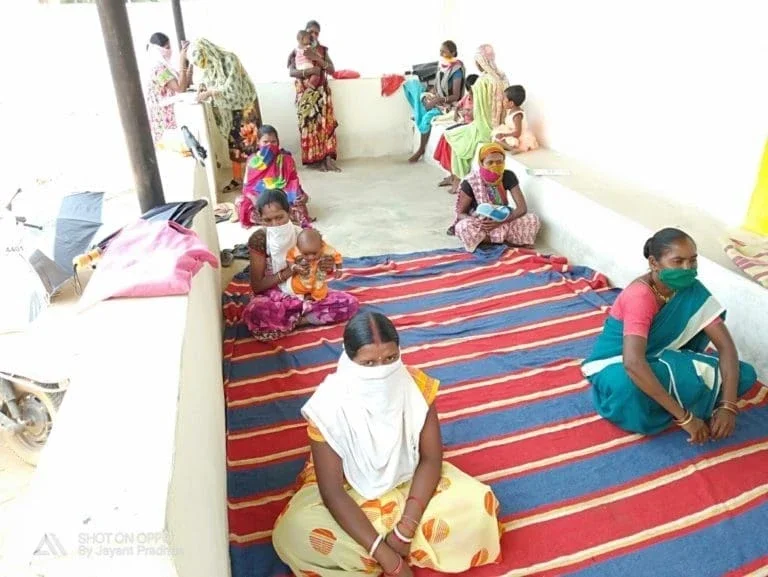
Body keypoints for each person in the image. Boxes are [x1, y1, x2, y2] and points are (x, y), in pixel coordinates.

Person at [272, 312, 502, 576]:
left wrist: (405, 529)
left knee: (478, 506)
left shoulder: (417, 386)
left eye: (390, 359)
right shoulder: (327, 406)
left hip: (410, 484)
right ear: (350, 361)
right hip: (349, 494)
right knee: (292, 533)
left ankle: (371, 556)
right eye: (368, 363)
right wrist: (389, 560)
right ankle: (387, 551)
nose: (381, 372)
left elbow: (430, 458)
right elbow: (333, 491)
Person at [582, 228, 758, 443]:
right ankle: (680, 404)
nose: (687, 268)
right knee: (626, 388)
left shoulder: (691, 289)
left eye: (692, 261)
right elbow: (633, 363)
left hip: (664, 359)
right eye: (678, 261)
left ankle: (666, 401)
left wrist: (728, 406)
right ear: (654, 263)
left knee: (745, 374)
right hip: (618, 363)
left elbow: (726, 347)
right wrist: (685, 418)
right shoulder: (640, 296)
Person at [242, 190, 357, 341]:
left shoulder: (303, 234)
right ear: (260, 219)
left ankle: (294, 319)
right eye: (268, 220)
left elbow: (319, 268)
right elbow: (257, 286)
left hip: (306, 291)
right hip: (273, 293)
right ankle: (303, 315)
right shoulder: (259, 239)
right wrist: (289, 272)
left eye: (279, 217)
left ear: (289, 212)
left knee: (349, 303)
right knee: (255, 312)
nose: (275, 224)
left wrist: (326, 265)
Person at [189, 38, 262, 193]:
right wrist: (202, 87)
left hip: (244, 105)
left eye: (204, 61)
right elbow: (209, 80)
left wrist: (210, 92)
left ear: (207, 52)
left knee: (249, 144)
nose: (204, 65)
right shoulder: (212, 65)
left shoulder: (229, 59)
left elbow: (232, 87)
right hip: (229, 110)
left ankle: (254, 180)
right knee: (234, 145)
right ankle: (237, 179)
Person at [436, 44, 509, 193]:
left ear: (481, 61)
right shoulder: (502, 78)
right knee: (456, 135)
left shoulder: (483, 82)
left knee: (455, 137)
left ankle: (457, 180)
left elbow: (479, 111)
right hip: (498, 126)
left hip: (483, 127)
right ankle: (455, 178)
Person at [450, 143, 540, 250]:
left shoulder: (508, 176)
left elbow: (522, 208)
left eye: (499, 162)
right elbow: (460, 213)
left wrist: (500, 221)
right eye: (490, 162)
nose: (495, 166)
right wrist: (478, 222)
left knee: (532, 219)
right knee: (463, 227)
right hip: (480, 221)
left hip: (502, 217)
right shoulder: (470, 181)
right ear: (482, 163)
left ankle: (487, 241)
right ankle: (506, 242)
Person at [288, 20, 341, 172]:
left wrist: (317, 58)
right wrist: (310, 72)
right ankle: (316, 161)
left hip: (322, 93)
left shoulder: (322, 50)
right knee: (309, 126)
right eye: (310, 31)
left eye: (316, 32)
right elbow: (291, 72)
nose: (313, 35)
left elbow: (331, 70)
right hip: (305, 93)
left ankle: (328, 159)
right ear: (304, 33)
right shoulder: (297, 50)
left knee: (326, 125)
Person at [238, 125, 313, 228]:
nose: (270, 145)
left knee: (299, 206)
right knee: (243, 204)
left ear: (278, 142)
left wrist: (301, 195)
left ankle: (270, 217)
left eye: (273, 142)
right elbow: (247, 187)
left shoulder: (286, 159)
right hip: (260, 195)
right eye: (265, 142)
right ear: (258, 142)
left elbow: (293, 182)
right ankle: (277, 216)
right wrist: (255, 200)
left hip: (281, 193)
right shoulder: (252, 161)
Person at [408, 41, 466, 163]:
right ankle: (420, 120)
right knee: (418, 97)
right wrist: (432, 94)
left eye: (444, 51)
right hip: (439, 99)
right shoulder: (443, 66)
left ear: (453, 53)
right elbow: (437, 86)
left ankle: (421, 150)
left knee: (426, 118)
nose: (441, 53)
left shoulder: (457, 71)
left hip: (448, 104)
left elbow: (455, 96)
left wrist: (437, 100)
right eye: (440, 50)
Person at [144, 32, 192, 144]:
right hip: (164, 118)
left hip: (171, 114)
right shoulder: (158, 70)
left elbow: (185, 84)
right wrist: (181, 60)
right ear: (158, 50)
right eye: (167, 48)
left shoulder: (166, 68)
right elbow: (180, 88)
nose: (170, 51)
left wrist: (189, 62)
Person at [286, 229, 343, 301]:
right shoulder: (295, 250)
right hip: (302, 279)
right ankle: (303, 296)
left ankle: (313, 297)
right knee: (294, 289)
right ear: (299, 248)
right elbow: (289, 259)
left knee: (321, 293)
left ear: (321, 245)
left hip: (318, 279)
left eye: (314, 253)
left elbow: (337, 256)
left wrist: (339, 269)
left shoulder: (326, 248)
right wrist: (294, 267)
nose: (311, 257)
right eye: (306, 254)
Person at [492, 85, 539, 154]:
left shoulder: (517, 115)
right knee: (495, 136)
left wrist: (504, 135)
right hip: (511, 132)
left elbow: (518, 133)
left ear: (511, 103)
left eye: (504, 99)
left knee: (497, 140)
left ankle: (512, 148)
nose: (502, 101)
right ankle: (508, 146)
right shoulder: (511, 110)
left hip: (518, 136)